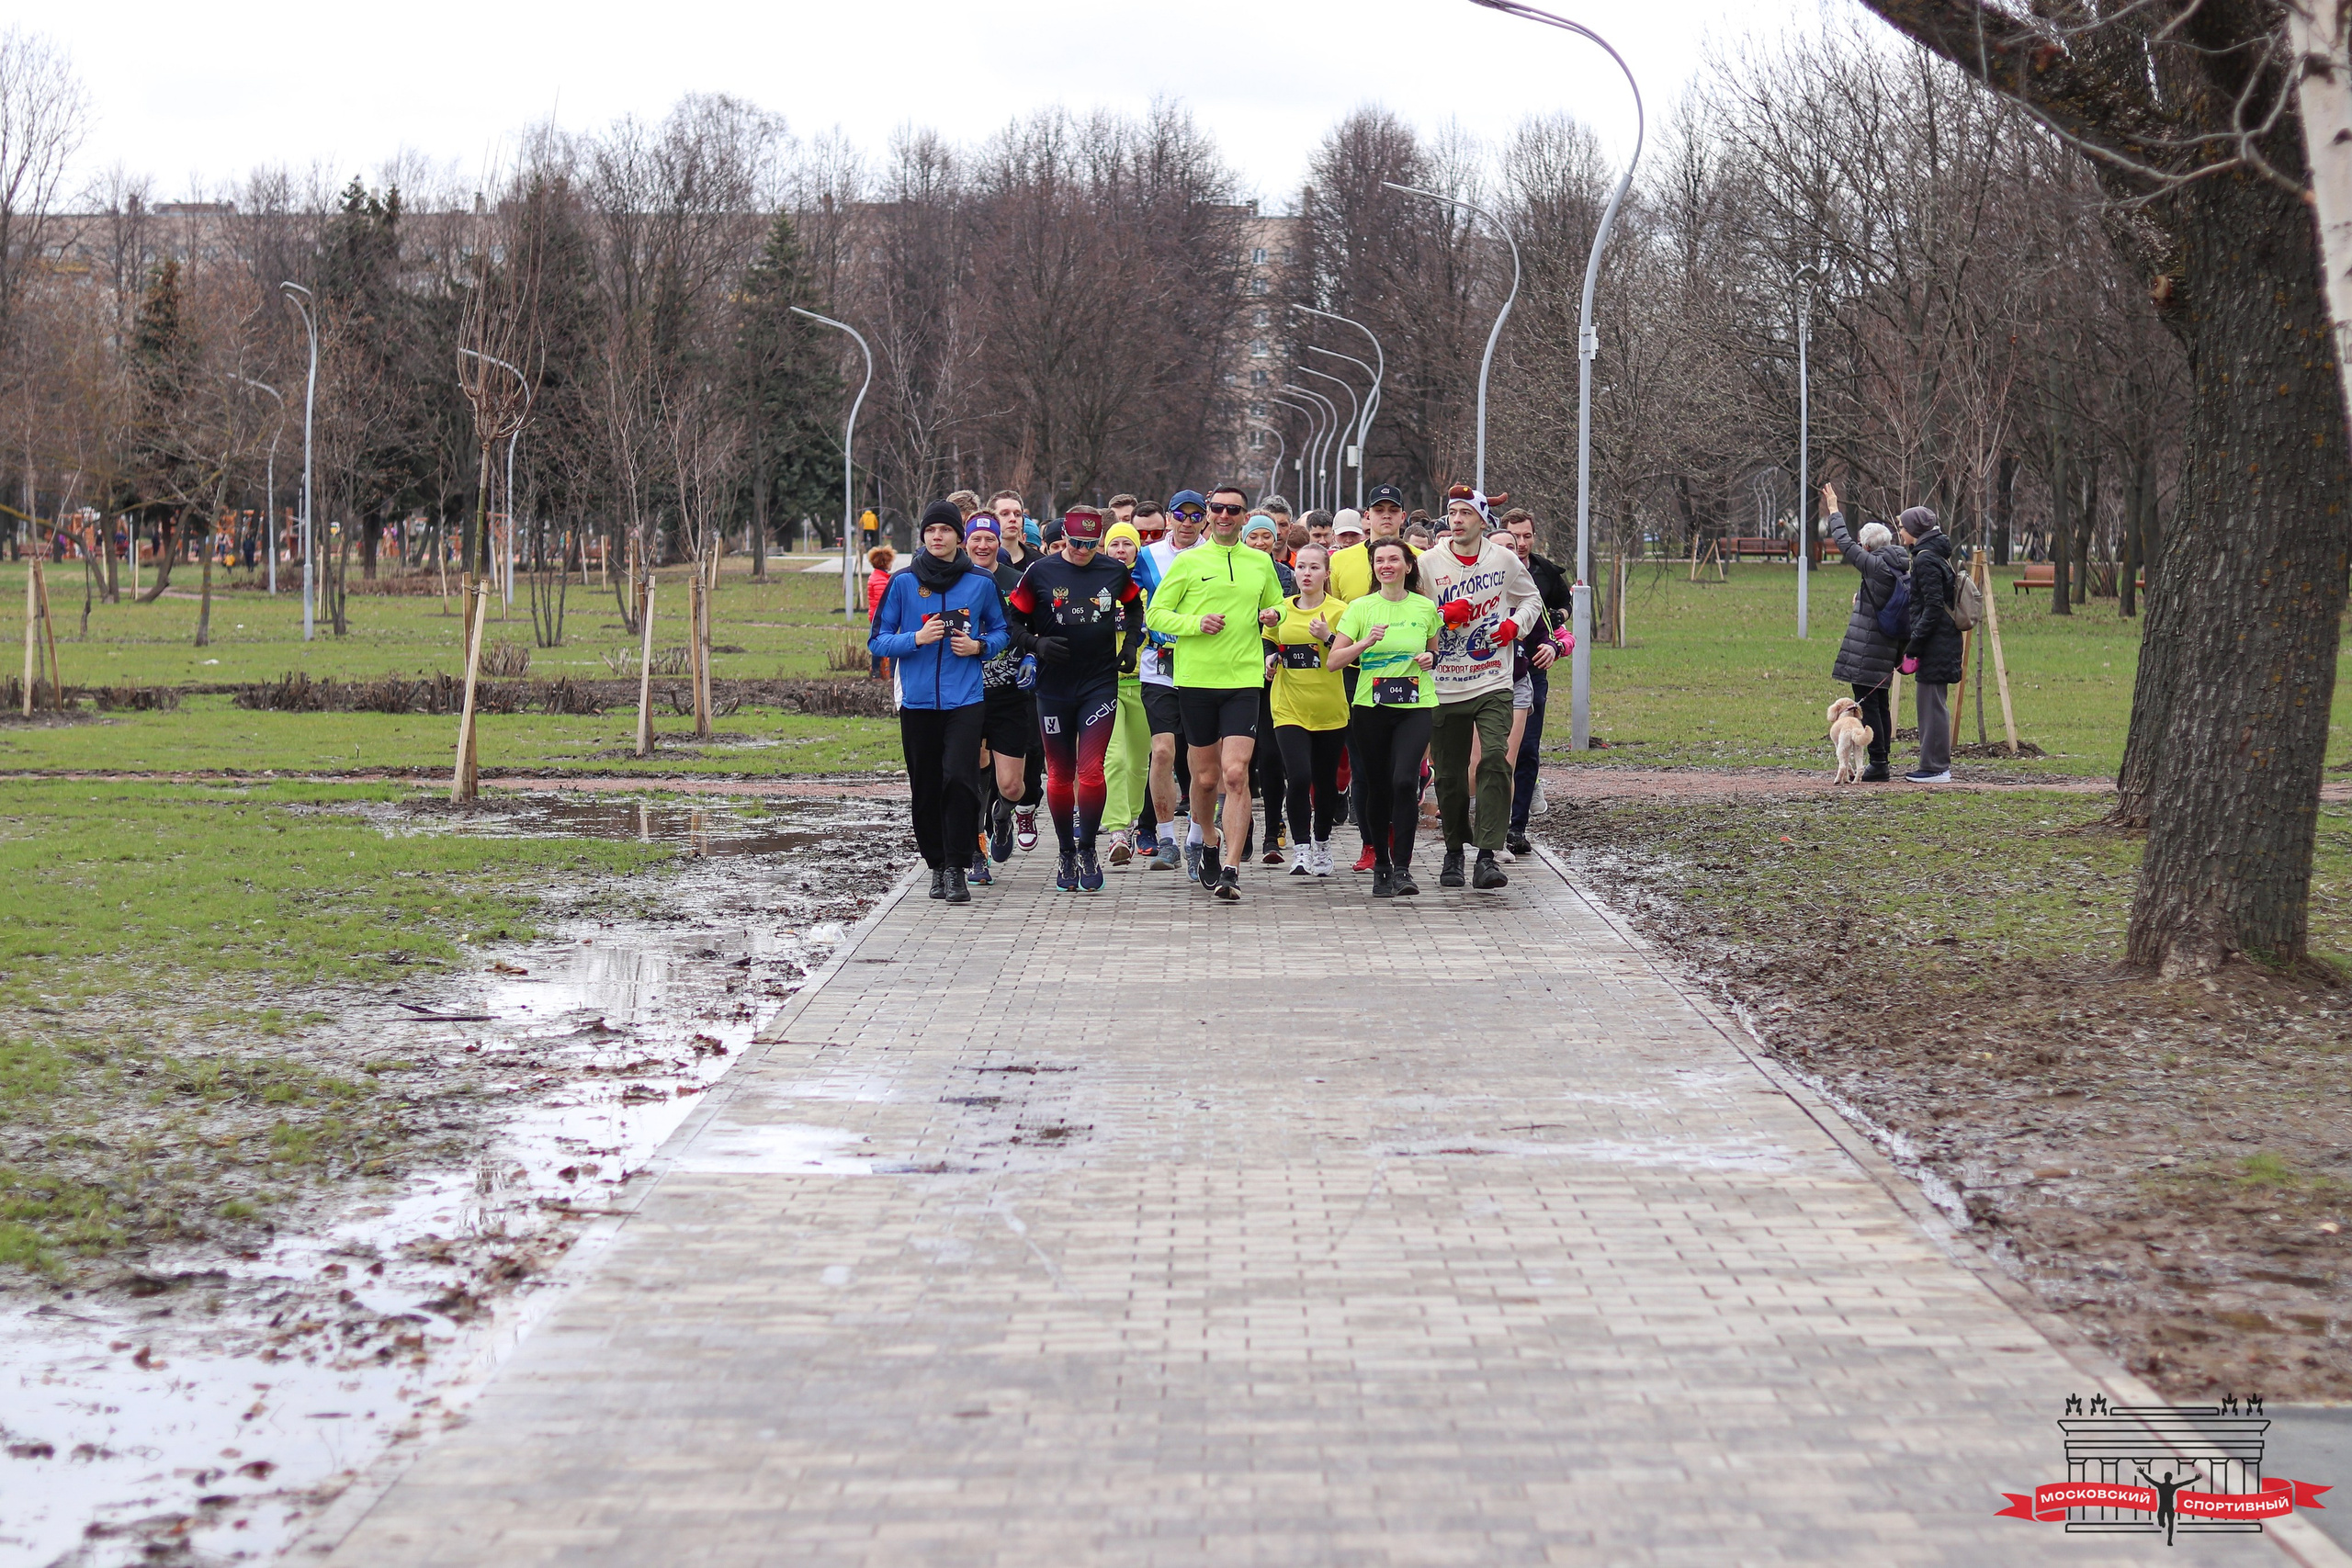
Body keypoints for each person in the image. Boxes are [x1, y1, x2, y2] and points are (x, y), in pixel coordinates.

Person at [1144, 483, 1285, 902]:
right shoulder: (1189, 562)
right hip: (1195, 681)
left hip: (1243, 680)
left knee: (1236, 773)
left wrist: (1273, 616)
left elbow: (1278, 611)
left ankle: (1231, 867)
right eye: (1218, 509)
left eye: (1234, 510)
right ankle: (1207, 840)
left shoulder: (1260, 563)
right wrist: (1194, 624)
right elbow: (1155, 614)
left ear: (1245, 517)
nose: (1225, 516)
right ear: (1209, 514)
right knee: (1204, 779)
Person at [867, 501, 1008, 904]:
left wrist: (978, 646)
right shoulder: (904, 582)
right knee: (926, 787)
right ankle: (935, 866)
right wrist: (915, 639)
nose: (938, 537)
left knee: (961, 782)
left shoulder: (980, 582)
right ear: (923, 537)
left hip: (965, 700)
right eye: (931, 531)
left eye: (946, 530)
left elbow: (1001, 632)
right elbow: (877, 640)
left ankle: (957, 867)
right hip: (918, 703)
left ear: (957, 538)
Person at [1007, 506, 1146, 892]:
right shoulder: (1041, 572)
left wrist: (1132, 643)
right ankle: (1066, 851)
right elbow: (1012, 621)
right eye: (1075, 543)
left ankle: (1088, 848)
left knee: (1091, 771)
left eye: (1090, 544)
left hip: (1098, 683)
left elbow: (1134, 605)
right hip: (1053, 687)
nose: (1083, 551)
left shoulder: (1112, 571)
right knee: (1061, 773)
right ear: (1063, 539)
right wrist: (1036, 644)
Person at [1417, 485, 1544, 891]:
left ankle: (1487, 854)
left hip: (1492, 679)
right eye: (1452, 513)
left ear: (1482, 521)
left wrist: (1513, 626)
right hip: (1445, 683)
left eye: (1465, 514)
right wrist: (1439, 614)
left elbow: (1532, 601)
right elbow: (1408, 611)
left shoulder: (1503, 560)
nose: (1456, 520)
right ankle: (1454, 851)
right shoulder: (1427, 563)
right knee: (1451, 774)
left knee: (1494, 759)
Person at [1327, 537, 1443, 898]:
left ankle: (1404, 868)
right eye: (1380, 560)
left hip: (1415, 705)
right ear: (1374, 568)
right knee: (1378, 785)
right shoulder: (1361, 608)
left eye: (1394, 559)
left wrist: (1430, 660)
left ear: (1409, 566)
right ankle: (1381, 865)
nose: (1387, 565)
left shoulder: (1425, 608)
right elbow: (1334, 661)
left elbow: (1434, 653)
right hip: (1370, 708)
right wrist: (1364, 644)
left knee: (1405, 782)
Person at [1262, 542, 1351, 875]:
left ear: (1327, 573)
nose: (1307, 573)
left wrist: (1328, 637)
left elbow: (1350, 655)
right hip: (1288, 706)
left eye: (1315, 568)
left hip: (1329, 708)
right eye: (1302, 567)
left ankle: (1323, 844)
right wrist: (1269, 657)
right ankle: (1300, 849)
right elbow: (1269, 637)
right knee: (1298, 777)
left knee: (1324, 783)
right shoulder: (1282, 608)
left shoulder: (1341, 611)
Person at [964, 514, 1041, 879]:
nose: (982, 545)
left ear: (999, 542)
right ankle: (976, 848)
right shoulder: (956, 581)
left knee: (1012, 784)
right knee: (974, 772)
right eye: (975, 538)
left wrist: (1031, 656)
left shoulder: (1017, 583)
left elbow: (1040, 627)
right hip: (967, 693)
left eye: (989, 539)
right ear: (965, 542)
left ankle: (1003, 814)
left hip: (1012, 693)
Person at [1138, 491, 1208, 872]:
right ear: (1169, 517)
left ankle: (1197, 836)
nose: (1187, 522)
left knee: (1199, 760)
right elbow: (1129, 599)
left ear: (1205, 521)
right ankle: (1166, 837)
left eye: (1196, 516)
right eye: (1180, 514)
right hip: (1158, 666)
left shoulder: (1213, 554)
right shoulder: (1148, 556)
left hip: (1202, 667)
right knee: (1163, 751)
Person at [1822, 482, 1909, 784]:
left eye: (1862, 545)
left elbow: (1844, 544)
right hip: (1888, 647)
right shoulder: (1899, 567)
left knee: (1866, 705)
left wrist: (1834, 509)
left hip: (1868, 648)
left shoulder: (1875, 567)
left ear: (1868, 547)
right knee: (1879, 703)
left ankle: (1878, 764)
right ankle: (1881, 761)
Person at [1501, 509, 1572, 852]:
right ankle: (1481, 819)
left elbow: (1557, 615)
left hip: (1530, 672)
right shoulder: (1485, 573)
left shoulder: (1544, 573)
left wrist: (1552, 645)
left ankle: (1516, 826)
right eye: (1515, 538)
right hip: (1485, 674)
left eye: (1527, 536)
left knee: (1526, 749)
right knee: (1489, 754)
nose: (1522, 544)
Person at [1099, 520, 1160, 866]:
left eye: (1127, 545)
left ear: (1137, 551)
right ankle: (1117, 829)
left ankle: (1135, 819)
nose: (1120, 551)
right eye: (1114, 545)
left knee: (1140, 762)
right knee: (1115, 757)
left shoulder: (1147, 586)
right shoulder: (1097, 584)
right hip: (1106, 683)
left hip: (1145, 680)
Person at [1240, 513, 1296, 862]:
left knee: (1273, 757)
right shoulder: (1236, 571)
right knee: (1242, 759)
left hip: (1275, 676)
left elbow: (1288, 620)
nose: (1261, 543)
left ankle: (1273, 827)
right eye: (1254, 537)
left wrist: (1273, 652)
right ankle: (1241, 827)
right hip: (1239, 673)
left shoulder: (1286, 576)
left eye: (1267, 537)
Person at [1897, 504, 1960, 784]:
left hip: (1936, 643)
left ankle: (1935, 767)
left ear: (1914, 530)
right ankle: (1934, 765)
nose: (1900, 531)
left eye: (1903, 527)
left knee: (1932, 706)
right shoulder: (1934, 556)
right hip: (1939, 641)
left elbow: (1932, 606)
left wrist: (1915, 643)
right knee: (1933, 704)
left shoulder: (1925, 560)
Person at [1329, 484, 1408, 603]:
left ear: (1403, 517)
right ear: (1367, 516)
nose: (1386, 516)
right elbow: (1331, 611)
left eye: (1393, 510)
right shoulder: (1339, 559)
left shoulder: (1419, 558)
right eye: (1379, 510)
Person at [865, 545, 897, 677]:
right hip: (882, 616)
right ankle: (885, 672)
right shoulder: (881, 581)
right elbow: (884, 601)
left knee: (879, 640)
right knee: (890, 642)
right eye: (890, 562)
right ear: (885, 563)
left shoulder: (877, 577)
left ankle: (877, 671)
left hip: (875, 615)